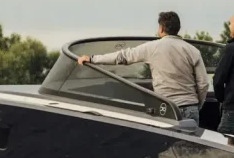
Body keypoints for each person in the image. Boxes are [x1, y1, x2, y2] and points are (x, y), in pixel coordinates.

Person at [78, 11, 209, 124]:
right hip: (191, 108)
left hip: (167, 108)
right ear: (177, 28)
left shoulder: (152, 47)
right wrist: (196, 105)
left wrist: (92, 59)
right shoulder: (193, 51)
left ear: (161, 29)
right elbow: (203, 84)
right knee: (190, 151)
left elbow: (122, 57)